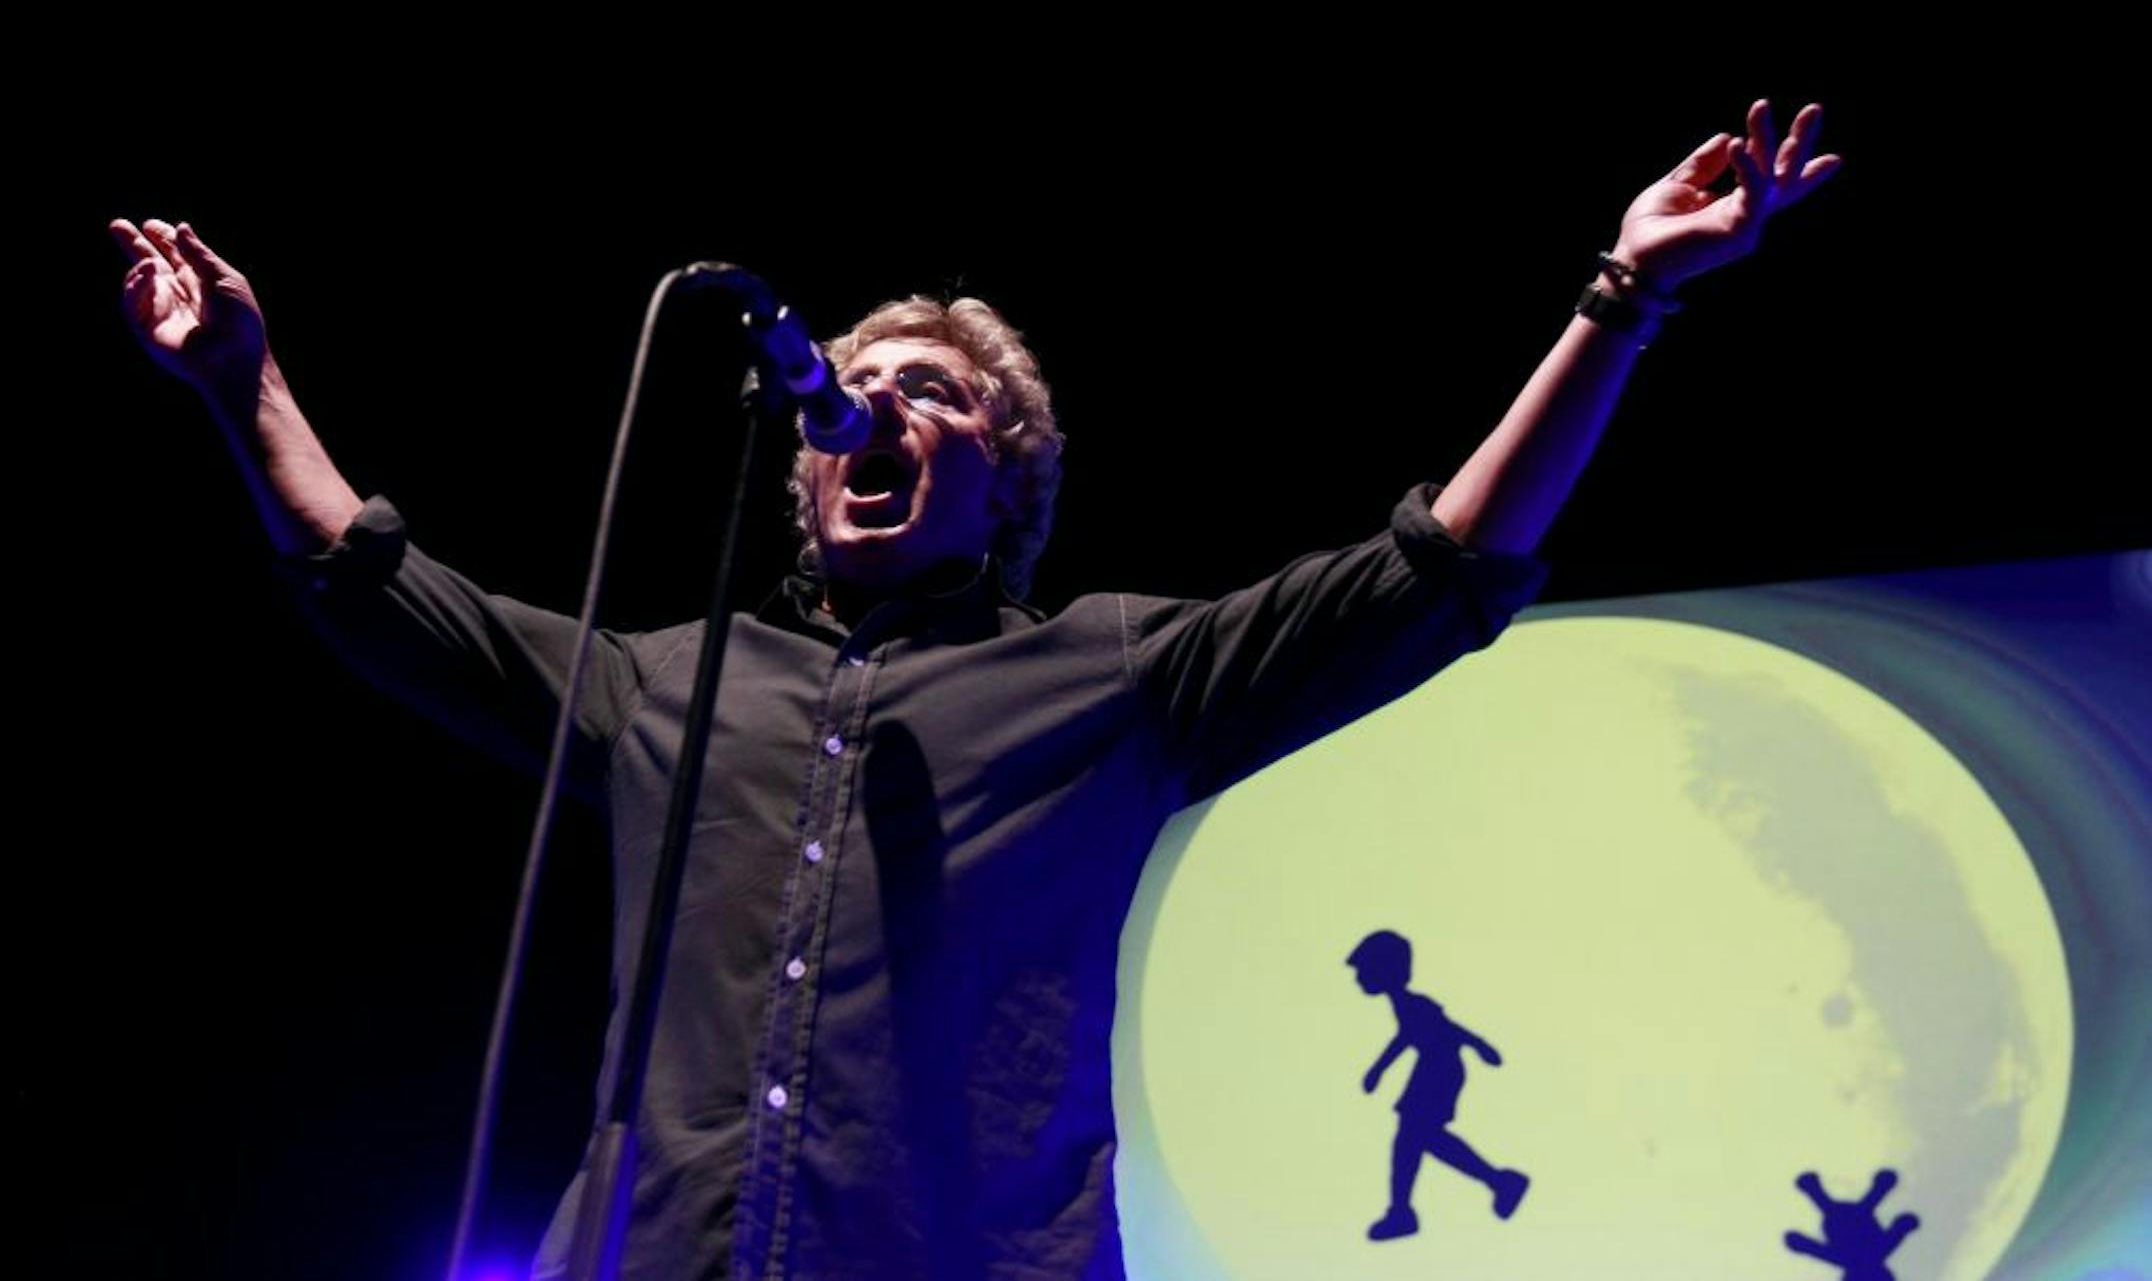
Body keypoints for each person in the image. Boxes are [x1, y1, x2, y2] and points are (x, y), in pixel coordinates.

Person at [110, 101, 1838, 1281]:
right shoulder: (668, 684)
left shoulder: (1107, 674)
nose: (867, 409)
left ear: (1003, 473)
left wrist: (1619, 302)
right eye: (843, 388)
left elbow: (1433, 575)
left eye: (924, 390)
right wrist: (240, 391)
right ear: (797, 464)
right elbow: (383, 597)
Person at [1349, 928, 1528, 1240]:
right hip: (1436, 1068)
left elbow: (1442, 1029)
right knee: (1418, 1140)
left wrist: (1480, 1045)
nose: (1359, 978)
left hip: (1439, 1070)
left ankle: (1405, 1209)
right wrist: (1378, 1070)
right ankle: (1494, 1182)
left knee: (1413, 1138)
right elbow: (1410, 1035)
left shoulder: (1412, 1003)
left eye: (1364, 970)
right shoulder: (1404, 1004)